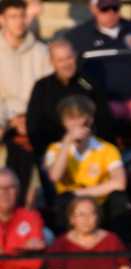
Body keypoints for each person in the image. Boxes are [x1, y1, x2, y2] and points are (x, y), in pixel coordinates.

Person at [43, 95, 129, 234]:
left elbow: (119, 183)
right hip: (70, 206)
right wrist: (67, 142)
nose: (76, 123)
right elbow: (54, 176)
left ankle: (119, 248)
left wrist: (79, 193)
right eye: (71, 118)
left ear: (90, 119)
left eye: (80, 117)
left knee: (118, 198)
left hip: (99, 204)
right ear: (63, 122)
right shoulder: (55, 149)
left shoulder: (107, 148)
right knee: (62, 200)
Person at [66, 0, 131, 126]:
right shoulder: (78, 36)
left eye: (115, 8)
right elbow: (74, 74)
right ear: (93, 9)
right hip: (99, 103)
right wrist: (94, 97)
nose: (111, 13)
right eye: (105, 9)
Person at [27, 40, 112, 161]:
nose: (66, 64)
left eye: (69, 58)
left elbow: (104, 120)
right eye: (60, 60)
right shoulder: (42, 87)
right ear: (52, 62)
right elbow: (33, 125)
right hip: (54, 153)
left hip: (89, 153)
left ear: (75, 56)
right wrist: (46, 155)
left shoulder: (89, 85)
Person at [45, 196, 128, 269]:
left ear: (98, 216)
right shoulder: (61, 244)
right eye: (81, 214)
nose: (86, 219)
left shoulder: (112, 240)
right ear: (71, 219)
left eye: (91, 214)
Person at [0, 0, 50, 189]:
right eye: (13, 17)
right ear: (2, 19)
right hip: (5, 120)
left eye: (22, 16)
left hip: (35, 121)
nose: (19, 22)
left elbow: (47, 93)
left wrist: (30, 118)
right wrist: (12, 119)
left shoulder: (42, 52)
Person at [0, 167, 54, 269]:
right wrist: (20, 251)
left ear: (18, 190)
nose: (6, 193)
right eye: (1, 188)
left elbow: (35, 263)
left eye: (11, 187)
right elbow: (27, 259)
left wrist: (4, 254)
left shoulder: (31, 217)